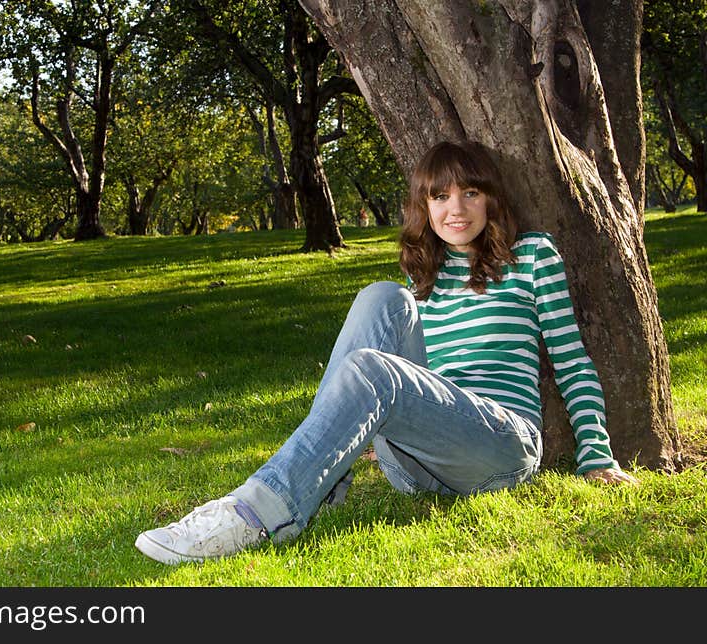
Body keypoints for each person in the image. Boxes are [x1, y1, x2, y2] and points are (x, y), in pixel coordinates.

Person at [135, 140, 639, 566]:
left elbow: (572, 361)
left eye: (470, 192)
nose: (455, 209)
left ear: (492, 200)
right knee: (381, 296)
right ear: (424, 207)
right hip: (417, 465)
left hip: (499, 447)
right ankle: (325, 476)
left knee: (376, 368)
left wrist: (595, 454)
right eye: (439, 196)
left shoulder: (532, 256)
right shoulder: (421, 278)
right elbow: (413, 381)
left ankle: (255, 514)